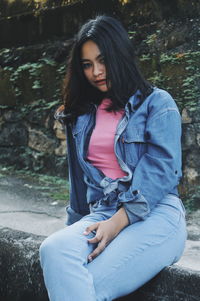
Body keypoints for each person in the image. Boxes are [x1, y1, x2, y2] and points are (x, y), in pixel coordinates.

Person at [39, 15, 187, 301]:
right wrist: (76, 235)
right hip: (102, 214)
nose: (96, 71)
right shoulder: (80, 115)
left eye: (103, 60)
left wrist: (118, 222)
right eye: (87, 64)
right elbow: (78, 188)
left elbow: (162, 172)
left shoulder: (158, 103)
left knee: (87, 282)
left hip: (157, 215)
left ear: (120, 54)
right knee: (53, 250)